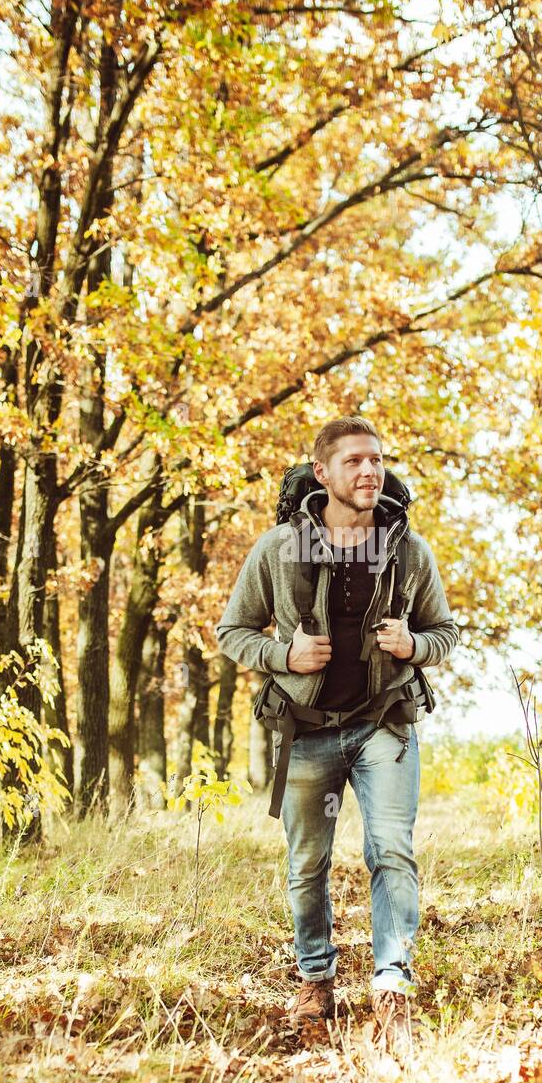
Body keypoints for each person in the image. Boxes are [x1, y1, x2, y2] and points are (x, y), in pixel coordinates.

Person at [217, 417, 458, 1049]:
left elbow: (445, 635)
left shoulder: (408, 550)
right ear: (322, 473)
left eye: (376, 460)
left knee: (392, 850)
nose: (369, 472)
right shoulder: (276, 549)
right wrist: (283, 657)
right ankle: (315, 980)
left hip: (385, 722)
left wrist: (415, 645)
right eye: (353, 461)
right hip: (307, 730)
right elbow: (232, 631)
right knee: (307, 862)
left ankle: (392, 986)